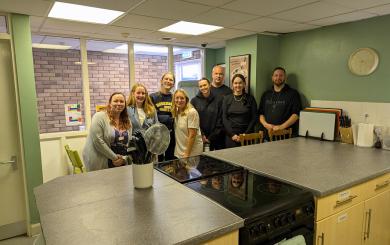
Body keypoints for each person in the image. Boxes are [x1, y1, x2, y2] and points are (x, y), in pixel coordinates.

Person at [83, 92, 132, 171]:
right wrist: (115, 158)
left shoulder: (127, 121)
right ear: (110, 103)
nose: (119, 103)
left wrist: (123, 159)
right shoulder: (99, 117)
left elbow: (129, 142)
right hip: (100, 162)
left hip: (120, 163)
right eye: (116, 101)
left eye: (122, 101)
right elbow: (98, 141)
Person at [258, 67, 302, 139]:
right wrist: (266, 125)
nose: (278, 77)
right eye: (276, 75)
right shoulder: (266, 94)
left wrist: (281, 127)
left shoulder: (293, 94)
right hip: (267, 135)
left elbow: (296, 115)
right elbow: (261, 113)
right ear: (272, 77)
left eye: (281, 75)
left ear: (285, 77)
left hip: (285, 137)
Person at [222, 74, 257, 148]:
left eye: (240, 83)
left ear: (244, 84)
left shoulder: (250, 99)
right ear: (232, 85)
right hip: (231, 136)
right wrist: (232, 134)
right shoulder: (227, 99)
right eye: (235, 83)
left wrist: (245, 134)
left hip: (247, 136)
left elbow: (254, 118)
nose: (238, 85)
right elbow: (224, 118)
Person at [191, 78, 224, 151]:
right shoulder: (194, 101)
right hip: (199, 137)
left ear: (209, 85)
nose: (203, 87)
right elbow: (193, 120)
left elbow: (220, 119)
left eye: (205, 85)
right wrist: (202, 135)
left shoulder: (218, 100)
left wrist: (210, 138)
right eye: (201, 86)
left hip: (216, 137)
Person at [150, 72, 176, 161]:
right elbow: (153, 116)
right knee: (158, 161)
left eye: (171, 80)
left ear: (173, 84)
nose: (168, 81)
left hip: (172, 134)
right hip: (158, 135)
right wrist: (169, 119)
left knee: (170, 161)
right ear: (161, 81)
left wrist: (162, 116)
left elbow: (177, 115)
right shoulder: (152, 97)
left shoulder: (175, 98)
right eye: (166, 79)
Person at [171, 89, 203, 159]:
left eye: (182, 98)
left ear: (186, 99)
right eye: (177, 98)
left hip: (192, 152)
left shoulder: (191, 112)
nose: (179, 100)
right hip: (180, 151)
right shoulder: (177, 112)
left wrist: (186, 154)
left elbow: (192, 135)